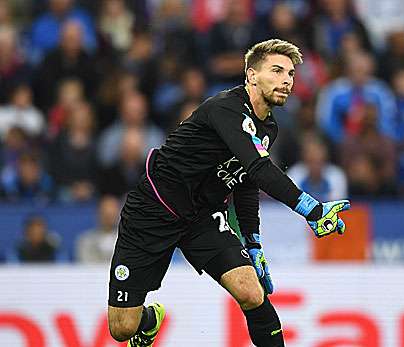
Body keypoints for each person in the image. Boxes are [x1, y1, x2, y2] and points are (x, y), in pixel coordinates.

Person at [107, 39, 351, 347]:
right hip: (154, 209)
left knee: (251, 292)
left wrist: (254, 243)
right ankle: (149, 319)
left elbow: (246, 182)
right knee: (122, 328)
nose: (286, 81)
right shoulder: (226, 108)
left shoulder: (269, 128)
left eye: (290, 74)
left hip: (203, 216)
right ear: (251, 75)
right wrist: (312, 211)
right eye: (276, 71)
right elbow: (261, 170)